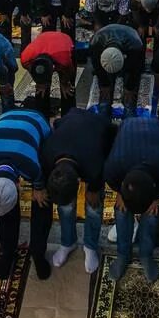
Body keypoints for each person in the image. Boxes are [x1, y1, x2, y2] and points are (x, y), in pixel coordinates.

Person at [0, 109, 53, 280]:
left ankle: (38, 253)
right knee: (3, 204)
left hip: (38, 120)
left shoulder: (31, 166)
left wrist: (38, 189)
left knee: (43, 201)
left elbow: (39, 181)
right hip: (4, 118)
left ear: (18, 185)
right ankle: (8, 253)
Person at [42, 105, 116, 274]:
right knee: (65, 207)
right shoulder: (47, 153)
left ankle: (90, 246)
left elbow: (104, 166)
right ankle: (68, 242)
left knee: (94, 207)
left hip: (100, 127)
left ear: (79, 180)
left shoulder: (94, 163)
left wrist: (94, 188)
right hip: (71, 119)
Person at [104, 116, 159, 282]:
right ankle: (123, 254)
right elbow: (114, 183)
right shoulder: (113, 168)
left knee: (152, 212)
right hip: (127, 127)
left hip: (156, 127)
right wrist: (120, 193)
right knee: (121, 210)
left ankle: (146, 254)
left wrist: (156, 198)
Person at [89, 24, 145, 118]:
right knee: (105, 95)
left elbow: (136, 70)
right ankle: (104, 118)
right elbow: (97, 68)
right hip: (107, 59)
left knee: (129, 98)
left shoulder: (136, 46)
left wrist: (129, 87)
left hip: (130, 54)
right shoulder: (95, 43)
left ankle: (129, 119)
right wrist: (105, 84)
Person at [20, 30, 75, 118]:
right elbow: (33, 72)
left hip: (62, 41)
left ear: (53, 67)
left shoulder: (64, 59)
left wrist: (65, 82)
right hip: (44, 39)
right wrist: (39, 82)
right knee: (41, 90)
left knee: (68, 90)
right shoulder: (26, 58)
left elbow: (69, 71)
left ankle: (68, 118)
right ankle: (41, 117)